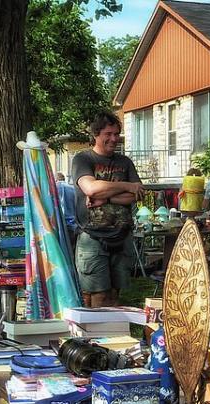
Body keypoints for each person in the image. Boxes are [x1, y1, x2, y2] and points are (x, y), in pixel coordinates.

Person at [71, 112, 145, 308]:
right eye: (108, 133)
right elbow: (91, 188)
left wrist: (107, 198)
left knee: (114, 295)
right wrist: (127, 186)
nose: (114, 139)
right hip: (93, 238)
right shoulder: (83, 159)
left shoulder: (125, 162)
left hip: (122, 236)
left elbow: (137, 194)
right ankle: (95, 337)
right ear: (96, 134)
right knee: (96, 296)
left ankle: (113, 336)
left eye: (117, 134)